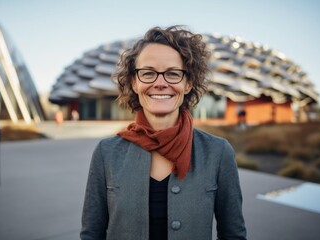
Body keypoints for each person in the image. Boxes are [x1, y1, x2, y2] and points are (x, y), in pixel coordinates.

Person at [80, 26, 247, 239]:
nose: (160, 83)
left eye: (173, 74)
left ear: (188, 83)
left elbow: (234, 234)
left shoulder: (217, 152)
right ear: (134, 82)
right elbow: (91, 235)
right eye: (148, 73)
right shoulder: (107, 153)